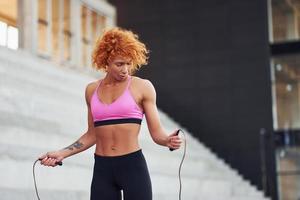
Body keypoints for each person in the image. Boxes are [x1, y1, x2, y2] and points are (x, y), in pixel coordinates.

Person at [39, 27, 182, 200]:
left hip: (133, 166)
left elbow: (157, 133)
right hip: (102, 168)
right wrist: (62, 153)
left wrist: (167, 140)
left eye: (129, 63)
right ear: (106, 62)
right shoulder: (91, 90)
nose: (125, 70)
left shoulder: (143, 87)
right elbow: (92, 134)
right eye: (119, 64)